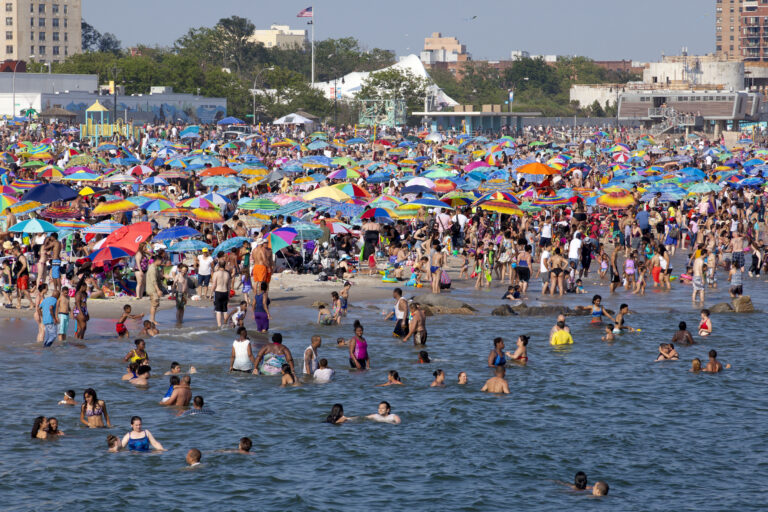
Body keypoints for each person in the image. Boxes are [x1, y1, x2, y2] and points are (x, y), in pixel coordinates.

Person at [146, 253, 167, 326]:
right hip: (153, 289)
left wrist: (164, 276)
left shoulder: (155, 267)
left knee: (155, 304)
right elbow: (153, 281)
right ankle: (152, 320)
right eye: (161, 261)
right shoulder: (152, 269)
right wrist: (158, 290)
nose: (162, 262)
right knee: (154, 304)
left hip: (154, 289)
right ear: (157, 260)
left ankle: (152, 319)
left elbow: (159, 276)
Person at [211, 262, 231, 328]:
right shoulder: (227, 274)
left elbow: (214, 284)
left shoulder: (216, 273)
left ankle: (219, 325)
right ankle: (225, 324)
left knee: (218, 310)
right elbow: (229, 286)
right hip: (225, 292)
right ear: (224, 265)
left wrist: (211, 293)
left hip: (218, 292)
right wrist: (228, 295)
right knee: (225, 310)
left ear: (218, 265)